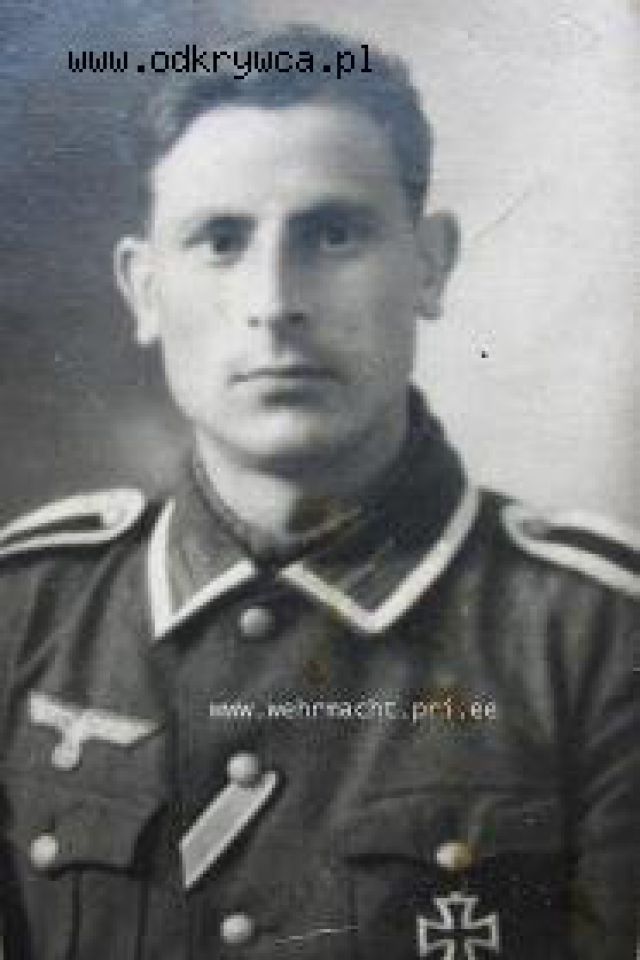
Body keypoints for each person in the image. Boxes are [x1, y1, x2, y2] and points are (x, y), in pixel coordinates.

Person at [0, 23, 638, 960]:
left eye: (333, 234)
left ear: (430, 264)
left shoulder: (598, 639)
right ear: (144, 290)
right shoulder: (27, 612)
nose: (273, 302)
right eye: (220, 241)